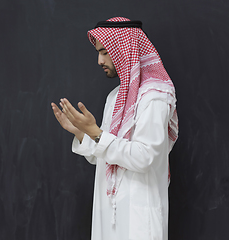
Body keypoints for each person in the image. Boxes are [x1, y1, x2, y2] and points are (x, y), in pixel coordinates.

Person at [51, 17, 178, 240]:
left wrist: (96, 133)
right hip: (109, 217)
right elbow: (107, 155)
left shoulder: (154, 97)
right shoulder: (115, 97)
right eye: (99, 52)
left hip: (139, 221)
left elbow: (145, 158)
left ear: (124, 50)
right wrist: (82, 133)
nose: (99, 60)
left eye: (105, 52)